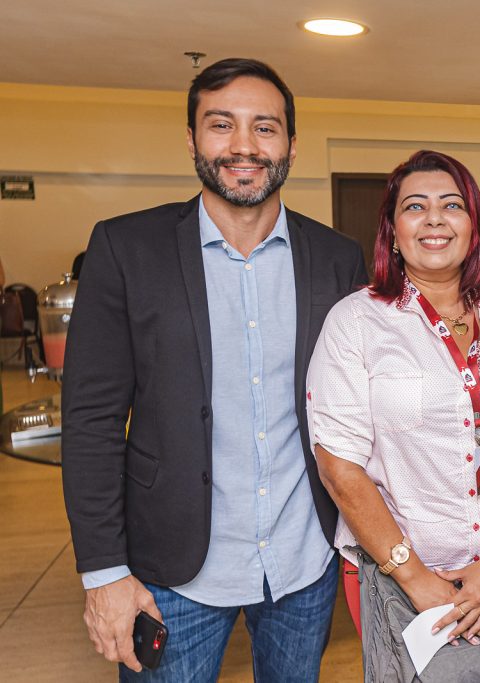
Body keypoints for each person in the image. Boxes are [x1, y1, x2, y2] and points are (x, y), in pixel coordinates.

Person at [61, 58, 367, 681]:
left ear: (291, 145)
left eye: (265, 127)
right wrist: (103, 572)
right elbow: (90, 421)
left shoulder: (339, 259)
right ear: (193, 139)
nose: (244, 146)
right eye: (222, 124)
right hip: (171, 571)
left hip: (303, 559)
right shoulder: (125, 249)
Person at [308, 151, 480, 651]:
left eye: (452, 205)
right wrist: (416, 578)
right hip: (394, 575)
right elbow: (338, 464)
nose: (435, 219)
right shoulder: (355, 322)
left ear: (475, 226)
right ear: (392, 230)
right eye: (415, 206)